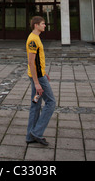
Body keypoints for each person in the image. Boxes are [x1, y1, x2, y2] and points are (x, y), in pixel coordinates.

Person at [26, 16, 56, 146]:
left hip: (39, 75)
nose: (45, 25)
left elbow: (38, 61)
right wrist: (38, 82)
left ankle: (30, 136)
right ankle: (37, 133)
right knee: (51, 102)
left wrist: (44, 72)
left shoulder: (36, 38)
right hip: (37, 78)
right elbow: (31, 62)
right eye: (43, 24)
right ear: (36, 25)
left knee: (36, 104)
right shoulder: (33, 40)